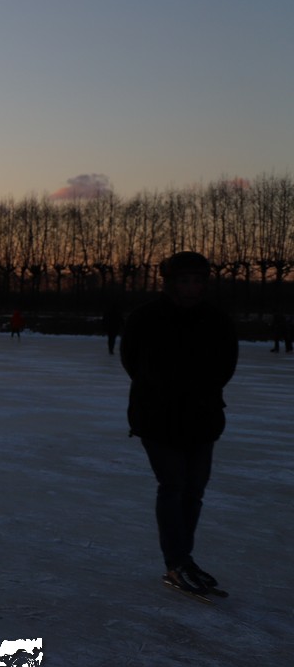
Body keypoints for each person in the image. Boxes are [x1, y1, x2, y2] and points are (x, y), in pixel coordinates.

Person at [120, 251, 237, 599]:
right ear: (170, 283)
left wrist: (201, 395)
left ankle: (184, 559)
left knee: (194, 490)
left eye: (197, 281)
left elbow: (226, 365)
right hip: (158, 418)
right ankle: (176, 562)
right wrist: (161, 393)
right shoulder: (145, 317)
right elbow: (132, 362)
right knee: (173, 486)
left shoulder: (216, 320)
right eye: (184, 281)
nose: (191, 287)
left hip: (202, 417)